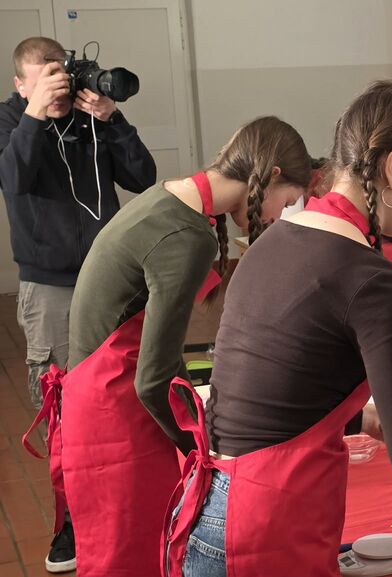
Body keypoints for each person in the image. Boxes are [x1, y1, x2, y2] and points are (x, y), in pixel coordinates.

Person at [163, 81, 392, 576]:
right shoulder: (376, 282)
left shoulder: (273, 241)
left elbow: (274, 392)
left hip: (208, 509)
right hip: (261, 528)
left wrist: (357, 420)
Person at [30, 116, 310, 577]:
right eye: (285, 201)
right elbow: (153, 381)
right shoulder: (188, 236)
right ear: (272, 174)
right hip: (115, 417)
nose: (278, 215)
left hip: (93, 402)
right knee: (135, 559)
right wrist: (201, 448)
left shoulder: (168, 197)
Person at [0, 36, 156, 573]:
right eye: (45, 80)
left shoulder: (91, 116)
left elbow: (143, 177)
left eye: (61, 78)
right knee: (63, 405)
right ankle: (72, 521)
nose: (60, 90)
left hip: (112, 277)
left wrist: (113, 119)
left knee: (128, 391)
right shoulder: (11, 120)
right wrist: (34, 116)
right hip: (50, 287)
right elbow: (13, 179)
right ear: (21, 84)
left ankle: (136, 500)